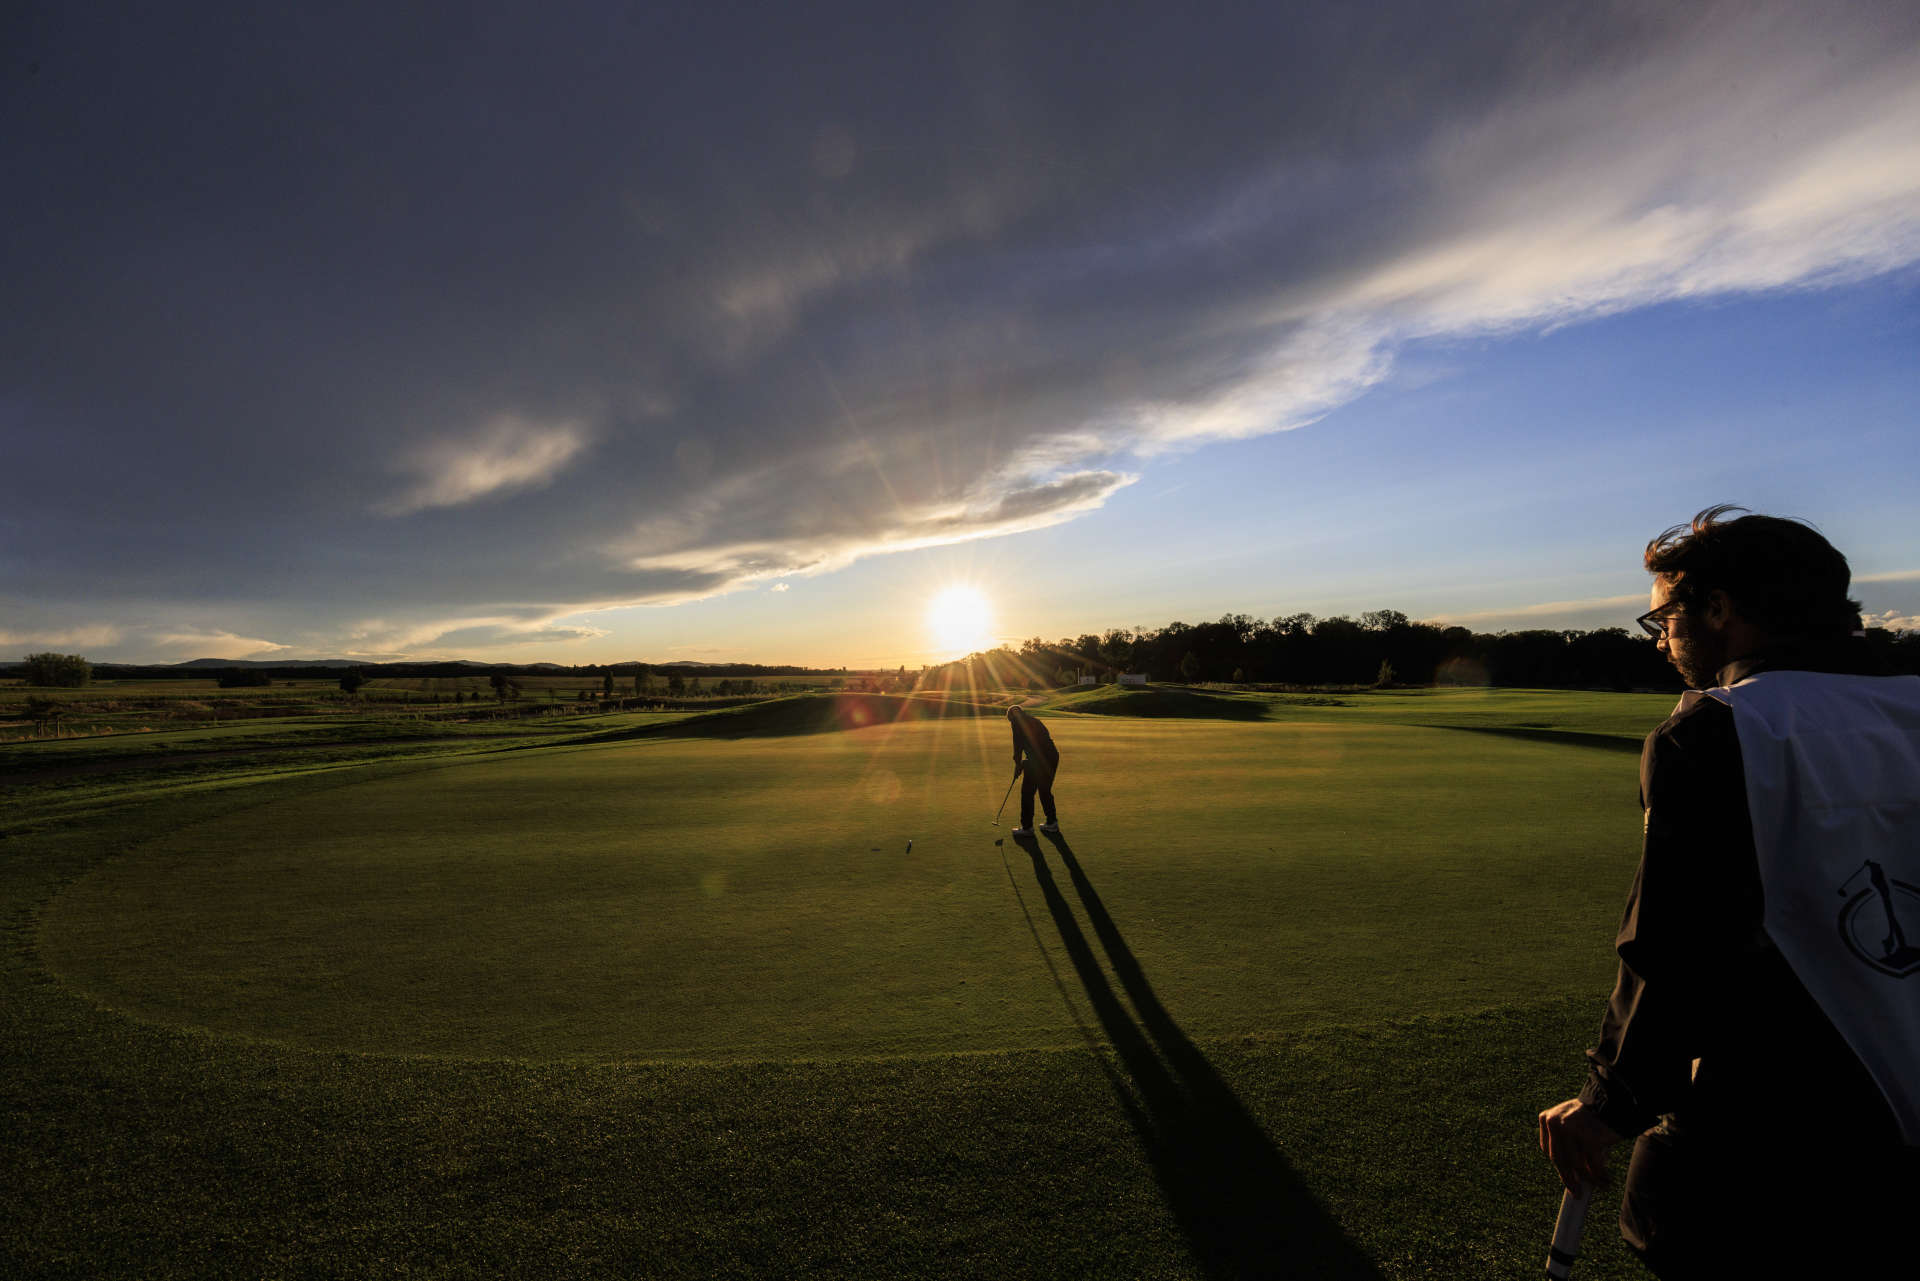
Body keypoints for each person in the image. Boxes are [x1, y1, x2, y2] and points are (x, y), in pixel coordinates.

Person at [1538, 505, 1920, 1277]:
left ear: (1719, 609)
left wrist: (1611, 1100)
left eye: (1665, 617)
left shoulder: (1717, 730)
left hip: (1776, 1128)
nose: (1665, 640)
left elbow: (1676, 947)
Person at [1006, 704, 1060, 838]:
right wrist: (1023, 764)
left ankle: (1027, 827)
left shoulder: (1016, 723)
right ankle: (1052, 823)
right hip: (1053, 757)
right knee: (1044, 790)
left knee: (1027, 793)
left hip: (1038, 761)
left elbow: (1017, 746)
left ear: (1011, 717)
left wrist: (1018, 764)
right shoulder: (1034, 720)